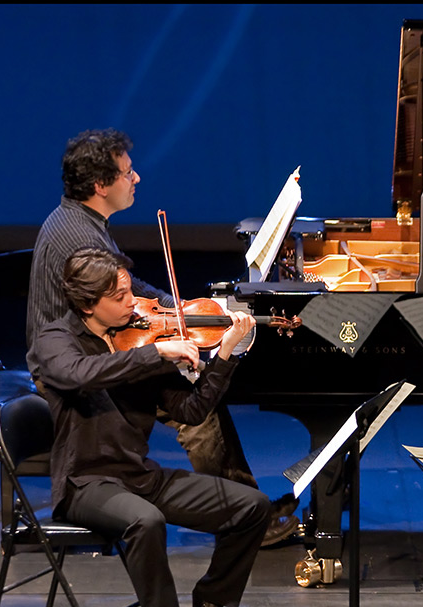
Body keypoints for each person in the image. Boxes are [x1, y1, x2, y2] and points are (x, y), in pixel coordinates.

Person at [25, 128, 298, 546]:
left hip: (104, 343)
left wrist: (179, 310)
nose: (136, 179)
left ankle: (246, 503)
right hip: (73, 368)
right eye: (127, 173)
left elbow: (128, 289)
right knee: (198, 407)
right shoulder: (77, 234)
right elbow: (122, 297)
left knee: (199, 390)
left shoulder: (82, 219)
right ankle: (242, 518)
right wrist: (177, 322)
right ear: (100, 185)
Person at [28, 247, 273, 607]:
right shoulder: (55, 340)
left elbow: (193, 410)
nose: (132, 301)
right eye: (119, 295)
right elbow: (82, 374)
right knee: (146, 521)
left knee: (252, 507)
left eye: (128, 290)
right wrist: (157, 353)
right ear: (87, 304)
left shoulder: (139, 337)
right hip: (86, 483)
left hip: (139, 476)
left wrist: (227, 356)